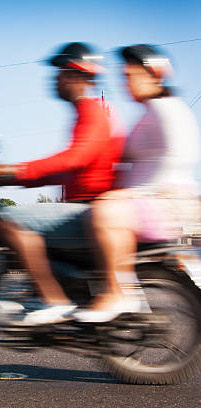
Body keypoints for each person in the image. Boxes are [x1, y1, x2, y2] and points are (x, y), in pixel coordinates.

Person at [0, 42, 125, 325]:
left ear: (77, 76)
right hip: (83, 208)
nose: (55, 79)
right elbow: (64, 171)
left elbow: (74, 159)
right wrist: (7, 178)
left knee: (5, 219)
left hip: (86, 211)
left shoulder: (92, 111)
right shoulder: (86, 112)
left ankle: (51, 299)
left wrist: (14, 171)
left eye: (61, 72)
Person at [73, 44, 200, 322]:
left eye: (130, 75)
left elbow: (177, 159)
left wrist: (131, 194)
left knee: (107, 212)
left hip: (170, 201)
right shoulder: (148, 113)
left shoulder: (169, 110)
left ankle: (119, 292)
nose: (125, 82)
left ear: (153, 74)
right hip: (150, 200)